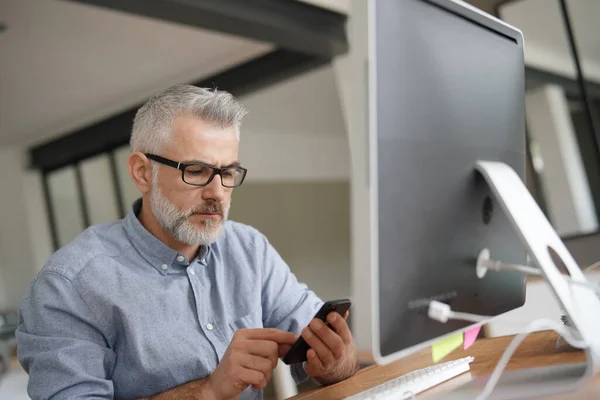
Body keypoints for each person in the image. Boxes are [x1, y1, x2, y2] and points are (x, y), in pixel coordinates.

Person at [16, 84, 359, 400]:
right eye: (195, 171)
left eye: (227, 173)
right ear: (141, 172)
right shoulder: (68, 287)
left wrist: (335, 363)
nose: (217, 194)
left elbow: (327, 354)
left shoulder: (249, 249)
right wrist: (209, 390)